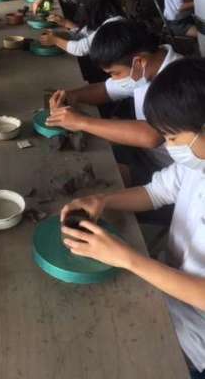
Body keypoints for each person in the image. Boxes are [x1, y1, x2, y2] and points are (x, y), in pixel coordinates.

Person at [59, 57, 205, 379]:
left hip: (197, 335)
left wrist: (127, 258)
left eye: (172, 138)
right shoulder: (196, 163)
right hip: (168, 281)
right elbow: (157, 192)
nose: (168, 146)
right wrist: (103, 200)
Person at [47, 19, 181, 187]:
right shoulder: (147, 66)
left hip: (167, 171)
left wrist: (81, 122)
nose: (114, 79)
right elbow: (105, 90)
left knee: (94, 179)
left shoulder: (179, 82)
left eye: (115, 73)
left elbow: (152, 136)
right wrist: (71, 95)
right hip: (144, 153)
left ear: (139, 62)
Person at [40, 0, 123, 57]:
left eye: (85, 0)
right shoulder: (103, 15)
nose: (83, 3)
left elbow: (81, 48)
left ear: (95, 0)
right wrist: (61, 34)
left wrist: (56, 40)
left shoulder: (113, 23)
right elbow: (85, 34)